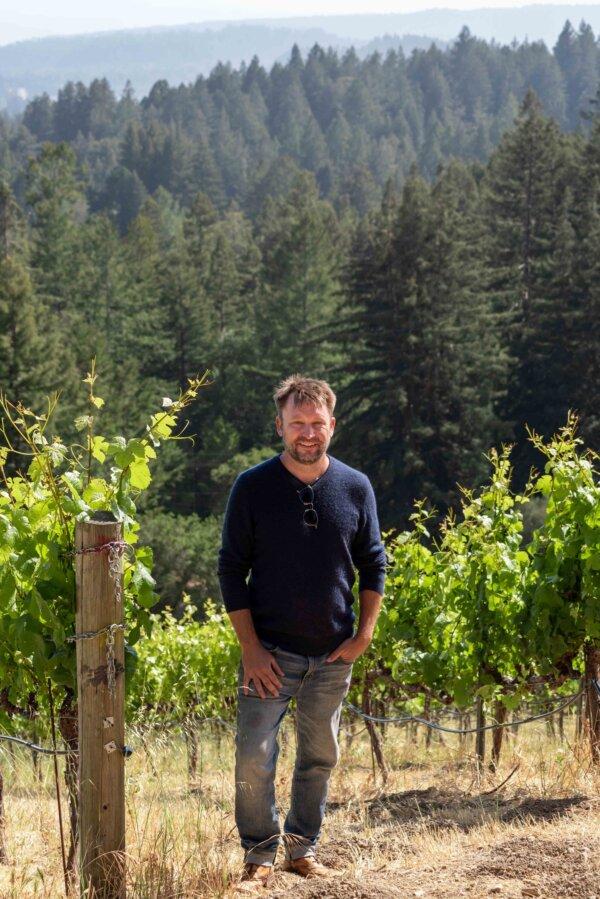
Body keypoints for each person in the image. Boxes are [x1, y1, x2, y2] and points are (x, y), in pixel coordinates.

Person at [218, 374, 386, 890]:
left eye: (317, 423)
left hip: (332, 657)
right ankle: (259, 854)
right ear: (280, 426)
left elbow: (374, 564)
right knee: (254, 757)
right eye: (297, 423)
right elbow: (230, 569)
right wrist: (250, 650)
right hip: (269, 654)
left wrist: (362, 637)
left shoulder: (356, 486)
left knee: (319, 756)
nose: (307, 433)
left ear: (332, 425)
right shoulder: (253, 486)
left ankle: (300, 849)